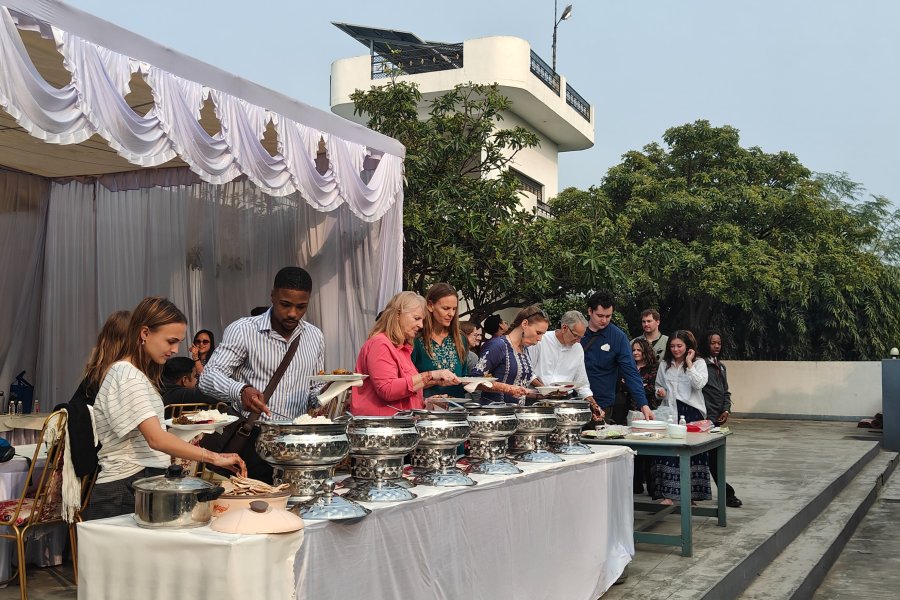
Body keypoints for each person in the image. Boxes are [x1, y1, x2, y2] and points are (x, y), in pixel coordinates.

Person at [83, 297, 246, 520]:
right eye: (170, 341)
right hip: (123, 490)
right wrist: (214, 457)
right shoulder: (126, 375)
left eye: (178, 342)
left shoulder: (134, 374)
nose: (175, 349)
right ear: (145, 333)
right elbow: (156, 439)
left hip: (138, 485)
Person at [199, 266, 325, 480]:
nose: (293, 313)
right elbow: (208, 377)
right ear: (273, 296)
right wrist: (241, 391)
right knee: (252, 509)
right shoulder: (244, 330)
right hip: (252, 440)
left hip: (296, 445)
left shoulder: (315, 336)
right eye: (285, 304)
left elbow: (314, 390)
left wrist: (328, 394)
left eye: (301, 306)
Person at [350, 291, 460, 415]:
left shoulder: (401, 348)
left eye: (422, 320)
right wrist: (430, 375)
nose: (420, 325)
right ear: (397, 315)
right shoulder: (380, 343)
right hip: (382, 427)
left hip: (396, 425)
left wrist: (428, 403)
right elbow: (387, 390)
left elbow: (405, 390)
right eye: (416, 318)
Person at [651, 330, 710, 504]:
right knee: (668, 452)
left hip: (691, 412)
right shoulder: (665, 364)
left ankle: (690, 494)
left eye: (680, 346)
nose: (676, 349)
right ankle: (668, 495)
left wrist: (689, 363)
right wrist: (659, 392)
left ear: (688, 347)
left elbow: (699, 384)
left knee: (691, 453)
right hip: (670, 411)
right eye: (673, 346)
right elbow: (658, 387)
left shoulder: (699, 363)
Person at [581, 291, 654, 422]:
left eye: (608, 316)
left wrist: (643, 404)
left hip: (602, 402)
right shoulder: (578, 331)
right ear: (590, 311)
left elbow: (630, 371)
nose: (604, 320)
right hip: (574, 400)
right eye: (600, 315)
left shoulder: (618, 337)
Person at [527, 310, 604, 421]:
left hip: (564, 402)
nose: (578, 341)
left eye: (581, 337)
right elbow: (528, 371)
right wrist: (545, 389)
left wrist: (595, 406)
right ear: (564, 328)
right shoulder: (541, 340)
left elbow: (582, 385)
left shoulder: (577, 349)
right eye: (576, 336)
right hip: (537, 399)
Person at [699, 330, 743, 507]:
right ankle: (727, 494)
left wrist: (726, 409)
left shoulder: (721, 366)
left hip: (717, 420)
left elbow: (725, 391)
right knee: (711, 459)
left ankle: (726, 493)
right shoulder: (701, 365)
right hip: (704, 420)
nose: (716, 346)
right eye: (712, 343)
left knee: (715, 458)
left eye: (719, 343)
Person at [471, 305, 548, 404]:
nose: (540, 339)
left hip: (516, 414)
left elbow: (520, 389)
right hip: (495, 414)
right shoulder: (498, 345)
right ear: (524, 324)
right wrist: (506, 388)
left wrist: (542, 394)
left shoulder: (524, 349)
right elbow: (474, 380)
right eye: (538, 333)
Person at [411, 283, 468, 398]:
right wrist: (436, 380)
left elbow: (464, 377)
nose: (451, 314)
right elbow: (408, 383)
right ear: (430, 306)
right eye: (446, 308)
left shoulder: (460, 339)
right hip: (425, 410)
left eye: (454, 309)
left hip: (457, 409)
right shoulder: (416, 340)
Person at [622, 337, 659, 494]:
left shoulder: (653, 368)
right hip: (629, 412)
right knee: (634, 450)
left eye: (639, 350)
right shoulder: (627, 366)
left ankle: (653, 487)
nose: (636, 353)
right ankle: (635, 485)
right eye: (633, 350)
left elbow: (652, 388)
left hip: (648, 412)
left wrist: (632, 385)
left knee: (650, 451)